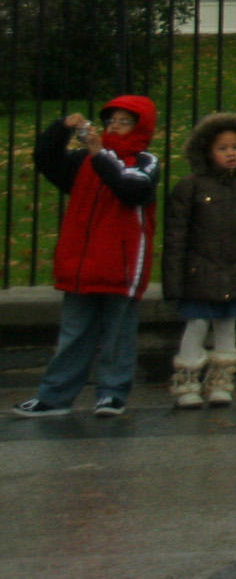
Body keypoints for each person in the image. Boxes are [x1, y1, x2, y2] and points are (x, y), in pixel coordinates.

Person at [14, 93, 161, 418]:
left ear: (140, 128)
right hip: (81, 263)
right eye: (111, 121)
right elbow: (47, 160)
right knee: (74, 333)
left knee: (118, 336)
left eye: (124, 122)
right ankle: (54, 397)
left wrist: (100, 153)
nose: (115, 126)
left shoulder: (144, 161)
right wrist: (62, 128)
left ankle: (112, 395)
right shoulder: (84, 162)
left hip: (121, 265)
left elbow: (131, 189)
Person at [162, 113, 236, 409]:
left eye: (235, 147)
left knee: (227, 325)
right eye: (223, 148)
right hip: (198, 273)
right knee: (198, 324)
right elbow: (175, 239)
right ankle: (186, 380)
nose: (231, 153)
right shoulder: (190, 187)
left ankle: (221, 381)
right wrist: (173, 283)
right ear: (206, 151)